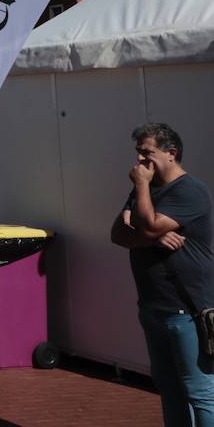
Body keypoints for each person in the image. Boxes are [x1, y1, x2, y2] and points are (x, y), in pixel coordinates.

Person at [110, 123, 214, 426]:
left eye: (147, 153)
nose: (140, 162)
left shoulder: (190, 190)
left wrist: (146, 219)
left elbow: (148, 225)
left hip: (187, 309)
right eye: (139, 154)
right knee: (169, 389)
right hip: (153, 306)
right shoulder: (146, 188)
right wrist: (153, 236)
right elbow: (118, 233)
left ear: (171, 153)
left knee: (199, 391)